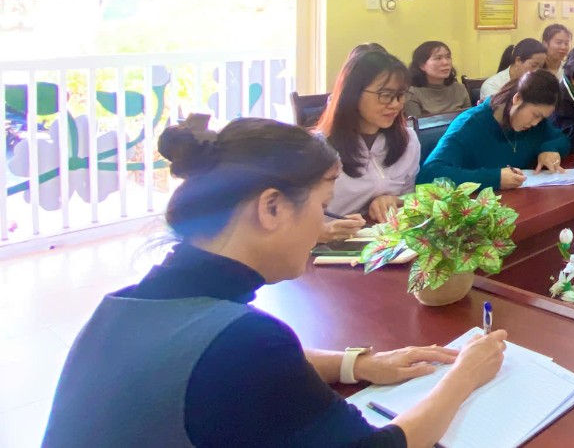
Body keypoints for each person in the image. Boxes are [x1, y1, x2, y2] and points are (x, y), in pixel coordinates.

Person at [43, 115, 507, 448]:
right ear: (271, 208)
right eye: (321, 207)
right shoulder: (246, 341)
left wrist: (357, 364)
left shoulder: (127, 303)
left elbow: (220, 367)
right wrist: (463, 376)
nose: (323, 225)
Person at [315, 50, 420, 230]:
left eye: (400, 95)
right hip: (327, 243)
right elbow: (289, 222)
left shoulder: (408, 140)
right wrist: (321, 232)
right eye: (385, 95)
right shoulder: (317, 150)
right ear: (353, 93)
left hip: (384, 238)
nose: (395, 104)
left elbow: (410, 197)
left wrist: (394, 199)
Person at [418, 71, 569, 190]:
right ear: (517, 99)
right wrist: (494, 178)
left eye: (542, 118)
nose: (536, 123)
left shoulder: (535, 124)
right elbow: (429, 175)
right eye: (535, 115)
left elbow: (563, 139)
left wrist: (549, 149)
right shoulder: (470, 125)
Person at [404, 41, 470, 118]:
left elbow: (470, 119)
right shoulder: (411, 93)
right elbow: (415, 124)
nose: (445, 62)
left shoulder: (459, 88)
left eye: (448, 57)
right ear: (422, 65)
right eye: (438, 58)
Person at [478, 38, 546, 102]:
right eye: (534, 66)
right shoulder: (493, 85)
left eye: (540, 67)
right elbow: (498, 109)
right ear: (518, 61)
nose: (537, 71)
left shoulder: (537, 84)